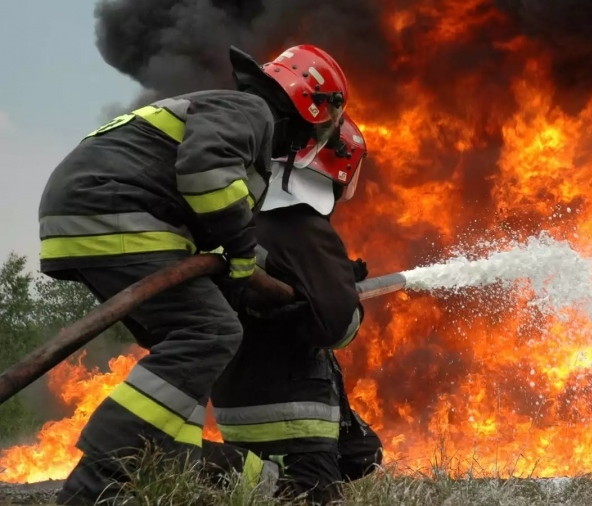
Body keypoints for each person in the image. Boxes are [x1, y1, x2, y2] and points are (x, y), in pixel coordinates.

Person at [40, 44, 350, 505]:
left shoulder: (228, 112)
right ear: (310, 106)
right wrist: (242, 253)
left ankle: (163, 462)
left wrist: (251, 276)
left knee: (184, 352)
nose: (310, 140)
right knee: (211, 332)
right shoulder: (252, 112)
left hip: (88, 214)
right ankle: (98, 479)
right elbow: (205, 175)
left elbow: (205, 218)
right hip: (114, 209)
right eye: (321, 128)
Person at [207, 115, 383, 504]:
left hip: (238, 402)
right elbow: (337, 326)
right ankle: (240, 475)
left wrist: (332, 280)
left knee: (362, 453)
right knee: (310, 495)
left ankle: (257, 479)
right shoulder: (302, 225)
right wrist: (345, 297)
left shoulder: (245, 220)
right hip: (291, 412)